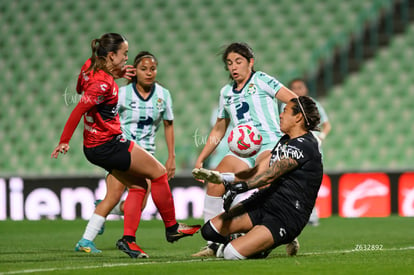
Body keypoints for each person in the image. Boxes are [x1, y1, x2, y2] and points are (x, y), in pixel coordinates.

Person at [51, 33, 200, 258]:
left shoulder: (90, 66)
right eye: (124, 54)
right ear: (111, 55)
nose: (126, 59)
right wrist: (63, 140)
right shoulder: (102, 84)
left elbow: (81, 86)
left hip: (96, 146)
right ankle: (172, 228)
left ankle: (128, 240)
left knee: (139, 187)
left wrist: (117, 74)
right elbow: (79, 108)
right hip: (109, 143)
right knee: (159, 174)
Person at [192, 42, 297, 257]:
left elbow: (293, 100)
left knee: (264, 180)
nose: (234, 67)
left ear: (250, 62)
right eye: (229, 63)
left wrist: (290, 128)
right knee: (215, 182)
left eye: (238, 61)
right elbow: (220, 126)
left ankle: (286, 231)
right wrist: (201, 159)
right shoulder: (226, 93)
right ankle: (213, 244)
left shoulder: (261, 80)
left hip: (270, 145)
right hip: (243, 151)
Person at [192, 96, 323, 260]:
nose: (280, 115)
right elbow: (259, 170)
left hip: (286, 215)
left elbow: (269, 175)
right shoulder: (285, 140)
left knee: (231, 253)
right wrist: (223, 178)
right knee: (209, 231)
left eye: (285, 111)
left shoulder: (305, 145)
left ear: (298, 117)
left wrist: (241, 187)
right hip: (264, 202)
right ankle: (253, 238)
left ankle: (266, 243)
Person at [285, 78, 332, 226]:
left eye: (300, 87)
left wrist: (321, 137)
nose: (297, 91)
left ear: (306, 89)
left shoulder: (314, 105)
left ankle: (311, 213)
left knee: (309, 182)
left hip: (311, 148)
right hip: (292, 149)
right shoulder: (286, 107)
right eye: (294, 88)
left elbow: (326, 125)